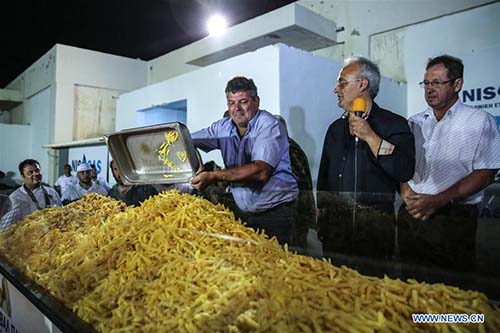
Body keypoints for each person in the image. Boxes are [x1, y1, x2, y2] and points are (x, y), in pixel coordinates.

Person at [399, 54, 500, 272]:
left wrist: (438, 200)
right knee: (408, 284)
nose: (429, 89)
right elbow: (403, 164)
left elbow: (486, 172)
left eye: (437, 82)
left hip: (454, 218)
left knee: (451, 288)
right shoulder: (414, 122)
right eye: (426, 83)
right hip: (412, 212)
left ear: (457, 84)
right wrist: (405, 190)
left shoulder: (480, 121)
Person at [317, 56, 415, 259]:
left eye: (342, 83)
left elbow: (403, 169)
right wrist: (322, 218)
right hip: (335, 232)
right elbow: (324, 179)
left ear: (363, 84)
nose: (336, 89)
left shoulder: (394, 124)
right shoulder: (335, 129)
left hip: (374, 231)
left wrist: (370, 136)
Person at [190, 76, 298, 245]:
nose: (236, 109)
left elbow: (260, 171)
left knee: (277, 264)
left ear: (257, 101)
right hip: (243, 212)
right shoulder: (222, 127)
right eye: (231, 103)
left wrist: (213, 176)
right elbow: (186, 140)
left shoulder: (268, 125)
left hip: (275, 214)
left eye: (243, 101)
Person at [275, 115, 315, 249]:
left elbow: (298, 181)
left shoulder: (288, 149)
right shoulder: (284, 147)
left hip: (297, 212)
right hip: (295, 211)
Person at [0, 159, 61, 231]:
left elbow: (61, 216)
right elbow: (3, 229)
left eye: (37, 170)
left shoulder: (52, 192)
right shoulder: (15, 198)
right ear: (23, 176)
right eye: (30, 172)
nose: (35, 174)